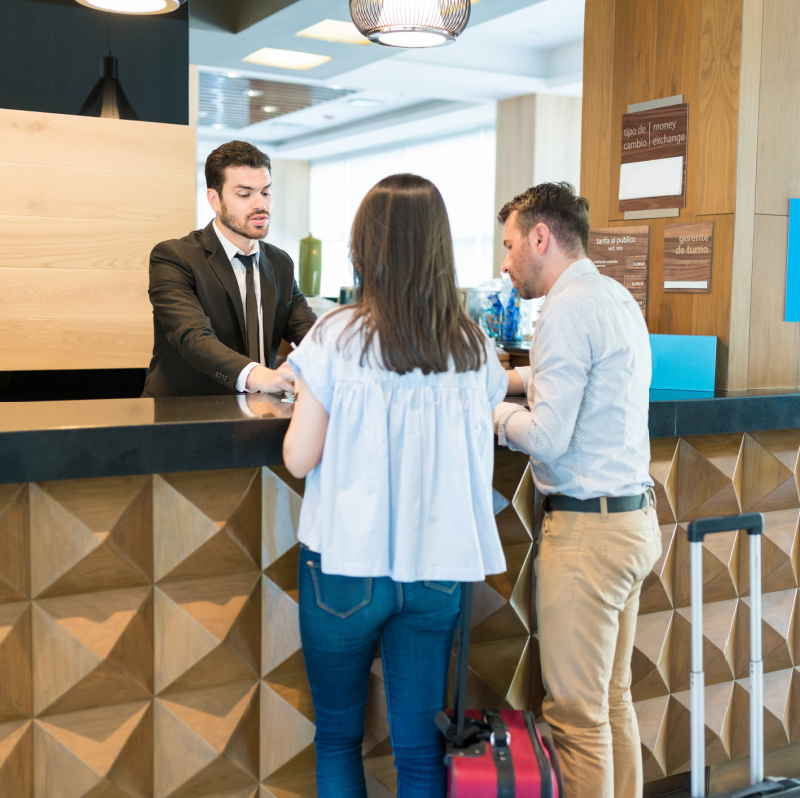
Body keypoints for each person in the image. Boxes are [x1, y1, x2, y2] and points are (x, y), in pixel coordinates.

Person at [282, 173, 508, 797]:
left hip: (346, 567)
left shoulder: (334, 336)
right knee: (417, 749)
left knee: (337, 738)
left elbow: (299, 458)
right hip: (436, 570)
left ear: (364, 247)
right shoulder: (471, 345)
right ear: (440, 247)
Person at [491, 182, 661, 798]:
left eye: (510, 246)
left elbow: (547, 436)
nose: (504, 263)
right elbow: (583, 368)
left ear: (541, 237)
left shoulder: (563, 308)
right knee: (611, 703)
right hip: (633, 523)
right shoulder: (613, 295)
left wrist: (490, 410)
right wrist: (515, 375)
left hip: (588, 537)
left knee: (574, 718)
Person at [142, 140, 316, 397]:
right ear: (215, 199)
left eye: (266, 192)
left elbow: (310, 333)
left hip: (258, 413)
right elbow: (194, 339)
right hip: (183, 415)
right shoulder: (174, 257)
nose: (261, 205)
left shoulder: (281, 263)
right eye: (245, 194)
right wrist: (264, 377)